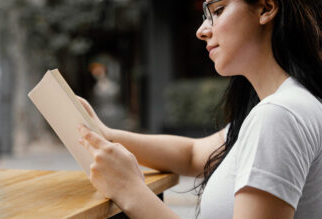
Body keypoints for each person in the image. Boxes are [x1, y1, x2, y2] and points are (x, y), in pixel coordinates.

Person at [76, 0, 322, 218]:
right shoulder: (290, 104)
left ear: (266, 8)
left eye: (218, 10)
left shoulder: (278, 115)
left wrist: (129, 190)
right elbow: (193, 154)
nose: (202, 30)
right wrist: (103, 134)